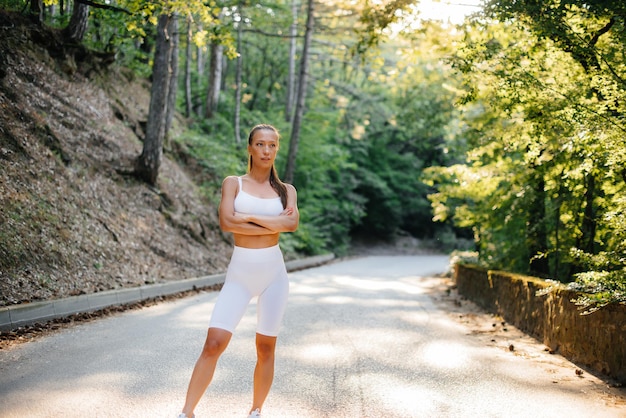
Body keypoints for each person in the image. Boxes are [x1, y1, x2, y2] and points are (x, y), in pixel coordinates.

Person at [178, 124, 299, 418]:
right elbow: (226, 222)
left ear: (276, 149)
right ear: (250, 148)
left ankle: (256, 410)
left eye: (271, 145)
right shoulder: (234, 184)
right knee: (214, 343)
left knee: (266, 348)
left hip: (273, 275)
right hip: (240, 275)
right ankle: (187, 412)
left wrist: (246, 216)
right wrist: (270, 221)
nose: (266, 150)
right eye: (260, 144)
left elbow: (291, 225)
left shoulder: (286, 191)